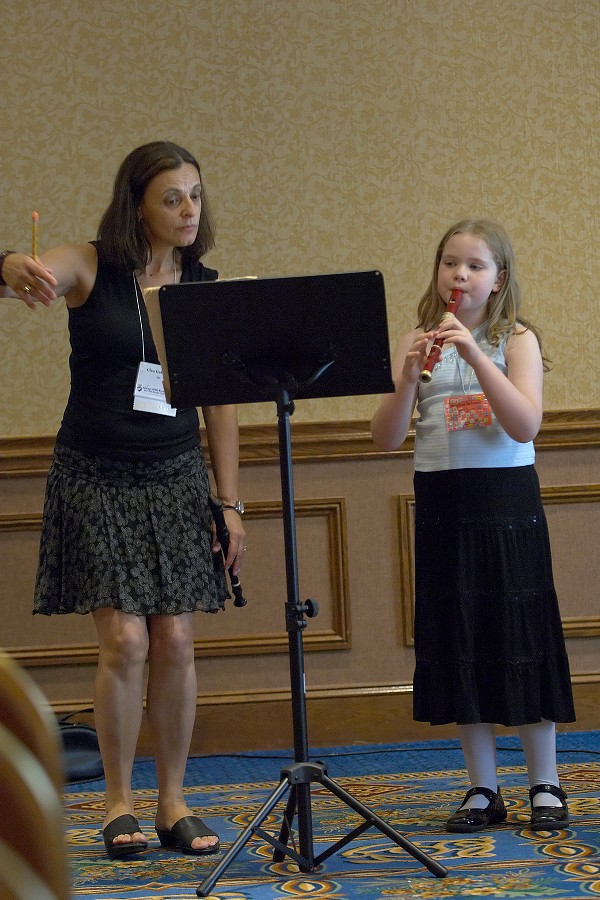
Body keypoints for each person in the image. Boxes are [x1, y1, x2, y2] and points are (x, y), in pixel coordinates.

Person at [0, 141, 246, 858]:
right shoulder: (92, 264)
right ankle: (117, 802)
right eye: (172, 197)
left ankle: (173, 801)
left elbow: (222, 405)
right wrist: (13, 265)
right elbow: (35, 272)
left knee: (175, 638)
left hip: (174, 478)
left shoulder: (204, 287)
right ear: (136, 203)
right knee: (127, 639)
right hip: (96, 474)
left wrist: (229, 504)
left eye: (196, 194)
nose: (189, 210)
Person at [371, 218, 575, 833]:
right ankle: (482, 788)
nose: (461, 275)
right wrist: (409, 377)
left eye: (475, 266)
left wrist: (472, 354)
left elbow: (524, 424)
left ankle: (545, 784)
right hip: (444, 504)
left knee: (521, 636)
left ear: (499, 278)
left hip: (506, 503)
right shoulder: (416, 338)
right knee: (461, 638)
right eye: (450, 263)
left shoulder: (516, 338)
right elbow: (384, 437)